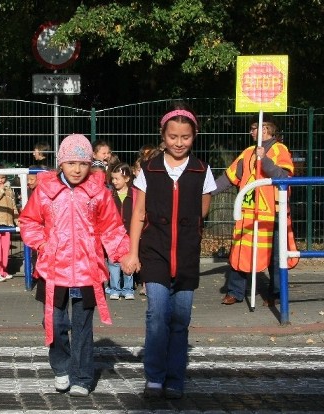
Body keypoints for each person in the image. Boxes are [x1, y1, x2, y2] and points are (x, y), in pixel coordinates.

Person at [19, 134, 130, 397]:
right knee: (55, 324)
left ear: (90, 163)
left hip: (87, 270)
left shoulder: (99, 194)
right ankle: (61, 367)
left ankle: (82, 376)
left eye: (82, 163)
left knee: (82, 327)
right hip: (52, 269)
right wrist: (42, 244)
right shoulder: (45, 191)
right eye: (70, 163)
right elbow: (29, 221)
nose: (77, 169)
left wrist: (123, 254)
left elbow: (111, 227)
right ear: (61, 163)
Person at [121, 103, 216, 400]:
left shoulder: (202, 170)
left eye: (185, 137)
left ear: (194, 136)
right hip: (155, 253)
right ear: (163, 136)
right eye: (173, 136)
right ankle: (154, 377)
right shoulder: (149, 169)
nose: (178, 142)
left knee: (180, 320)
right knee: (157, 314)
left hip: (186, 257)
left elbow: (202, 211)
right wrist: (132, 253)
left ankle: (175, 379)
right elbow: (138, 214)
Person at [216, 115, 298, 306]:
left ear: (265, 129)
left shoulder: (280, 150)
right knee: (241, 251)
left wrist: (265, 160)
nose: (250, 132)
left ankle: (276, 294)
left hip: (273, 213)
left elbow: (283, 176)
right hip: (249, 213)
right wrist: (205, 190)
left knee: (276, 256)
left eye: (254, 128)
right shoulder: (247, 153)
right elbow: (228, 178)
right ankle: (235, 292)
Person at [131, 143, 160, 296]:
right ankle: (147, 283)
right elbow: (139, 210)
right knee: (148, 253)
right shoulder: (144, 179)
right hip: (149, 225)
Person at [106, 163, 138, 300]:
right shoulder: (109, 194)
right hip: (113, 235)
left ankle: (128, 289)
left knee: (128, 261)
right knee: (113, 262)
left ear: (126, 178)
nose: (114, 181)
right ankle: (115, 288)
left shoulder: (135, 194)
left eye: (117, 179)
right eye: (112, 179)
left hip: (129, 235)